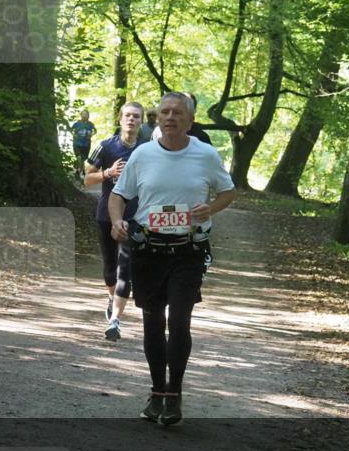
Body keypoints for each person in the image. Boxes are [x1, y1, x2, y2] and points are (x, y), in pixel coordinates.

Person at [109, 92, 234, 426]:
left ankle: (174, 393)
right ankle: (156, 392)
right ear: (158, 118)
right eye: (164, 112)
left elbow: (228, 191)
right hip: (149, 249)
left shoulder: (206, 154)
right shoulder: (143, 154)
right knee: (153, 321)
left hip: (188, 250)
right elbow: (120, 195)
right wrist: (118, 220)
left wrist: (212, 207)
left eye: (178, 113)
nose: (170, 117)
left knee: (179, 321)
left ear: (190, 120)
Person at [85, 102, 146, 342]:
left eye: (136, 117)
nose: (131, 120)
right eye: (128, 116)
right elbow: (87, 179)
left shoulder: (148, 149)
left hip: (135, 217)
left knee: (125, 270)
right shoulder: (105, 146)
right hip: (105, 215)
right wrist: (108, 173)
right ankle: (111, 298)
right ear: (120, 119)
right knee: (110, 269)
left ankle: (115, 321)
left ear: (141, 122)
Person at [70, 110, 96, 178]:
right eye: (83, 114)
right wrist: (74, 135)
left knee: (84, 158)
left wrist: (91, 134)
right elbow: (71, 130)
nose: (85, 116)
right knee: (79, 157)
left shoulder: (90, 124)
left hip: (86, 144)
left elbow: (95, 131)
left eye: (86, 114)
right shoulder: (77, 123)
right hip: (77, 143)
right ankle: (79, 170)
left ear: (88, 116)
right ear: (81, 115)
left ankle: (81, 169)